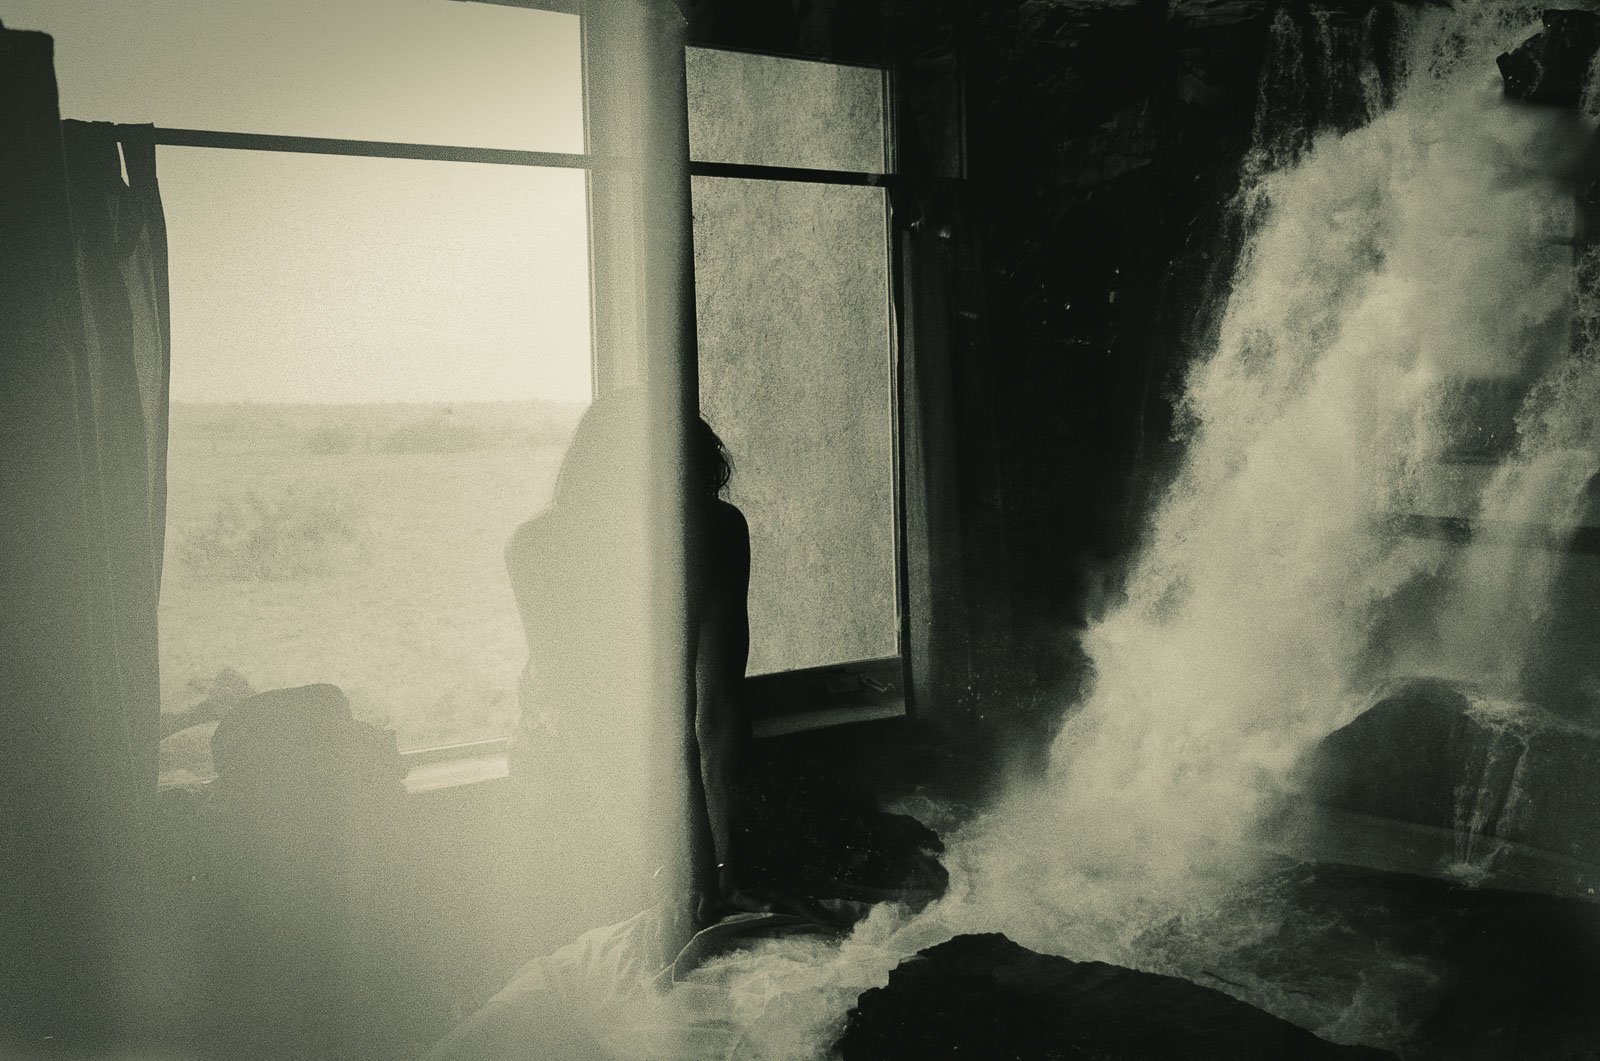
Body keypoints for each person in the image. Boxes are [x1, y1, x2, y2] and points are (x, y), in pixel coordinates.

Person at [504, 390, 749, 931]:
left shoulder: (715, 532)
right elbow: (579, 712)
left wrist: (730, 858)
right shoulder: (540, 548)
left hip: (656, 767)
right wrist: (681, 860)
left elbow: (719, 709)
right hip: (561, 775)